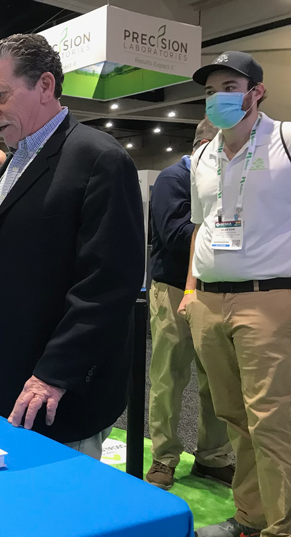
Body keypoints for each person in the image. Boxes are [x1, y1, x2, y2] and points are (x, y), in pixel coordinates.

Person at [0, 34, 144, 459]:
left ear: (45, 85)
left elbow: (108, 285)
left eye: (0, 95)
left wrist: (53, 376)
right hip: (4, 378)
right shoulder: (17, 158)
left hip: (55, 394)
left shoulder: (99, 158)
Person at [177, 51, 291, 537]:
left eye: (229, 87)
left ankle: (283, 527)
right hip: (208, 299)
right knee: (234, 417)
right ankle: (251, 517)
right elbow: (200, 228)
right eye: (209, 91)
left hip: (268, 298)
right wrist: (190, 290)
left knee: (271, 420)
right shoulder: (203, 156)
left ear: (256, 92)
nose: (216, 98)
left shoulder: (284, 139)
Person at [146, 118, 233, 491]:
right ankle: (164, 457)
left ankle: (213, 457)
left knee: (217, 380)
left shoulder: (227, 181)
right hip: (172, 289)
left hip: (216, 293)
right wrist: (230, 234)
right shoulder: (174, 179)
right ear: (202, 145)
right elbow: (174, 234)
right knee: (170, 376)